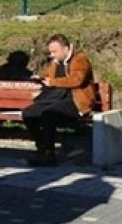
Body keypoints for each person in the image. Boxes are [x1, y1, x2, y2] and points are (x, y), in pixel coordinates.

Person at [23, 34, 96, 166]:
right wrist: (39, 78)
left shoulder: (80, 59)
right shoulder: (56, 62)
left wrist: (53, 82)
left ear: (65, 49)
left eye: (54, 51)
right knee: (28, 113)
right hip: (56, 98)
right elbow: (47, 76)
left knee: (48, 115)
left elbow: (77, 80)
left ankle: (49, 155)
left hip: (75, 101)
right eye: (51, 52)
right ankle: (42, 148)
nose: (52, 55)